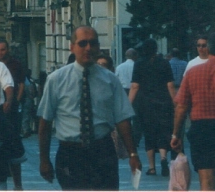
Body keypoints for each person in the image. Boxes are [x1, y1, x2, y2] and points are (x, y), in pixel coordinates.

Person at [37, 26, 140, 190]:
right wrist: (44, 159)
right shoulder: (56, 80)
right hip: (71, 153)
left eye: (92, 43)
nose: (88, 48)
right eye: (82, 43)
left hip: (102, 150)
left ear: (98, 47)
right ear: (72, 47)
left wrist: (132, 154)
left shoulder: (110, 80)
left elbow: (122, 118)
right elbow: (45, 121)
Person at [171, 31, 215, 191]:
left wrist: (176, 134)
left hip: (201, 129)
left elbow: (181, 106)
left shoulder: (193, 72)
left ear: (208, 49)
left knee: (207, 180)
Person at [128, 38, 176, 177]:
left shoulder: (139, 64)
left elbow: (135, 86)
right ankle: (163, 158)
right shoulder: (164, 63)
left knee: (149, 134)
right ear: (156, 49)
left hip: (145, 104)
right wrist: (175, 102)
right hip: (163, 102)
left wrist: (127, 104)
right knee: (162, 131)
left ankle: (152, 167)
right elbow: (170, 85)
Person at [0, 41, 25, 191]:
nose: (0, 52)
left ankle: (17, 184)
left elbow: (21, 83)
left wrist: (16, 100)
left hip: (11, 108)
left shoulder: (15, 64)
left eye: (3, 49)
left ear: (8, 49)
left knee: (12, 140)